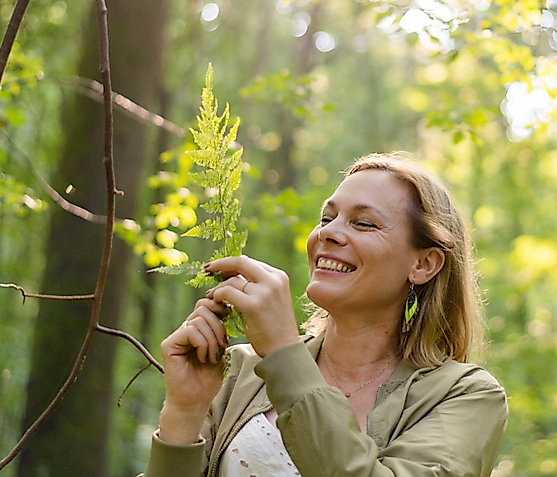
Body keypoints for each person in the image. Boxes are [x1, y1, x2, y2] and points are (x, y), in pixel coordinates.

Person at [144, 153, 507, 477]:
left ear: (424, 263)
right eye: (327, 218)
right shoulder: (240, 373)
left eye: (363, 223)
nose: (328, 233)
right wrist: (183, 412)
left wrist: (284, 352)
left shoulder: (465, 395)